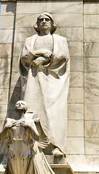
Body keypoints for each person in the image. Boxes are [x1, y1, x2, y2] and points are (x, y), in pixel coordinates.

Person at [20, 13, 70, 158]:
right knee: (32, 109)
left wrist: (43, 59)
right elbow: (25, 57)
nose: (43, 21)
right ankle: (31, 143)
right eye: (40, 20)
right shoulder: (30, 40)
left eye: (47, 19)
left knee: (54, 112)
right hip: (33, 78)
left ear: (52, 23)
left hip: (54, 81)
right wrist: (41, 53)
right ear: (37, 24)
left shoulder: (60, 40)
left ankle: (56, 145)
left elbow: (62, 56)